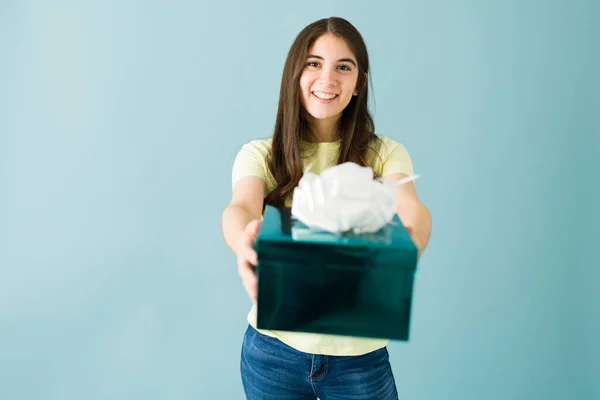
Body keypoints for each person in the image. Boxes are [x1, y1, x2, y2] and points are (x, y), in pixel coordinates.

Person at [221, 16, 432, 400]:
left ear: (358, 84)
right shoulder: (260, 154)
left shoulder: (383, 153)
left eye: (343, 67)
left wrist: (407, 249)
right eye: (313, 63)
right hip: (273, 352)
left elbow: (411, 207)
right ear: (294, 75)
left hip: (358, 358)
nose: (327, 79)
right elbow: (241, 207)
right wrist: (244, 242)